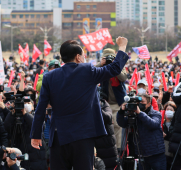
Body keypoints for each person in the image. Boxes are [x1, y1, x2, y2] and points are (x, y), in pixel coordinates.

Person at [30, 37, 129, 170]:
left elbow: (40, 108)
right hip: (83, 137)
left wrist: (36, 135)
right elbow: (115, 68)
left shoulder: (49, 77)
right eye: (83, 55)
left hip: (59, 136)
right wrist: (122, 47)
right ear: (78, 57)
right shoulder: (88, 70)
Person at [117, 94, 166, 170]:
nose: (139, 104)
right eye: (138, 102)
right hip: (142, 154)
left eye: (142, 102)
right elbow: (122, 123)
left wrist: (140, 113)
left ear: (149, 104)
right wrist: (121, 112)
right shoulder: (135, 115)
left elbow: (153, 124)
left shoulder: (155, 114)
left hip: (156, 154)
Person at [96, 48, 127, 150]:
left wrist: (115, 65)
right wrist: (102, 64)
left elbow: (123, 78)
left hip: (117, 103)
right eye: (107, 57)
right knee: (104, 127)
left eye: (111, 57)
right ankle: (106, 149)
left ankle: (118, 150)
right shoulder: (101, 67)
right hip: (104, 102)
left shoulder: (120, 66)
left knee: (118, 126)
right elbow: (91, 73)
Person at [4, 97, 47, 170]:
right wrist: (12, 113)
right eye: (24, 103)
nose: (26, 105)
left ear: (33, 107)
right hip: (22, 155)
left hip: (37, 156)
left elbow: (39, 126)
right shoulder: (15, 117)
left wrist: (25, 114)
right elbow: (7, 127)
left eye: (28, 103)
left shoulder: (37, 115)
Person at [94, 93, 117, 169]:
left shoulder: (103, 103)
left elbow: (108, 118)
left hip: (107, 147)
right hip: (94, 147)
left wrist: (96, 107)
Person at [162, 101, 176, 170]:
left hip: (173, 151)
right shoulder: (161, 123)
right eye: (167, 109)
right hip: (163, 151)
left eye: (171, 110)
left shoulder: (176, 124)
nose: (169, 111)